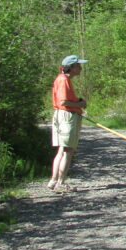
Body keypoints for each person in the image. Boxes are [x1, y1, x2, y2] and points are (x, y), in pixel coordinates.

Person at [49, 55, 87, 192]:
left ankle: (54, 181)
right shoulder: (63, 80)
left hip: (64, 115)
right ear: (71, 67)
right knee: (68, 150)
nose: (80, 68)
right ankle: (61, 183)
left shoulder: (62, 79)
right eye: (78, 65)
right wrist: (80, 104)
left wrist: (78, 103)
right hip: (67, 117)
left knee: (62, 149)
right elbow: (63, 102)